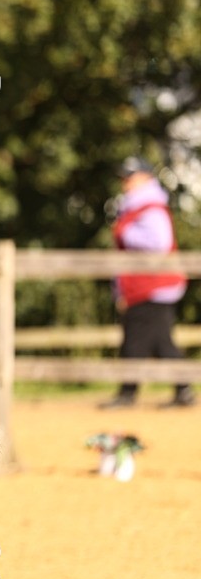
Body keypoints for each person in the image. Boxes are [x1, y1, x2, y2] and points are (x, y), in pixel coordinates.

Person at [100, 156, 195, 408]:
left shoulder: (150, 207)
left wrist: (125, 233)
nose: (125, 182)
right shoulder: (138, 207)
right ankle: (183, 390)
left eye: (130, 177)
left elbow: (160, 243)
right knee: (161, 342)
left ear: (145, 177)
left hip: (152, 285)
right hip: (147, 286)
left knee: (135, 339)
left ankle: (127, 394)